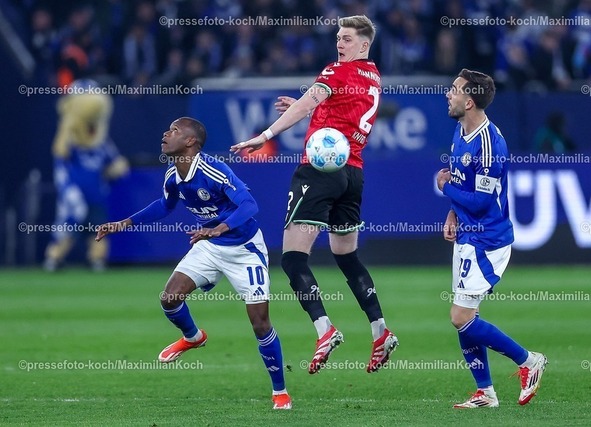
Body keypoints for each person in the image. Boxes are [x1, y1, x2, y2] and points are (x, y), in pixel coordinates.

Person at [230, 15, 398, 374]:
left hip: (319, 172)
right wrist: (312, 103)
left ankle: (324, 329)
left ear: (364, 44)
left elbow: (310, 102)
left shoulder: (336, 71)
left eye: (347, 39)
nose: (340, 43)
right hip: (352, 173)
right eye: (338, 37)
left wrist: (264, 135)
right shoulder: (372, 74)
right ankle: (380, 330)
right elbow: (336, 108)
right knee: (346, 256)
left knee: (292, 259)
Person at [95, 117, 291, 410]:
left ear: (190, 142)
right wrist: (124, 223)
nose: (166, 133)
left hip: (244, 249)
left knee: (260, 323)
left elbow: (250, 205)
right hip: (209, 245)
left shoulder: (214, 170)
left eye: (174, 130)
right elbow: (164, 205)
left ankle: (280, 392)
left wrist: (220, 227)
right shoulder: (173, 174)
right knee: (169, 298)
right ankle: (193, 337)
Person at [436, 69, 547, 408]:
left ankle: (529, 361)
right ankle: (485, 392)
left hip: (488, 240)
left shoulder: (489, 145)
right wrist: (453, 212)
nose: (448, 94)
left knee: (460, 317)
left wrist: (445, 188)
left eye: (454, 90)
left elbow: (481, 202)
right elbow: (463, 183)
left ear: (469, 101)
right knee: (465, 318)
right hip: (467, 235)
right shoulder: (460, 129)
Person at [44, 80, 129, 272]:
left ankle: (97, 258)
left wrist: (115, 170)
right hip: (75, 195)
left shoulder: (102, 143)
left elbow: (116, 163)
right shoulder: (70, 141)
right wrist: (68, 191)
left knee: (98, 228)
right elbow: (60, 162)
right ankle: (54, 257)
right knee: (70, 225)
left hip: (97, 194)